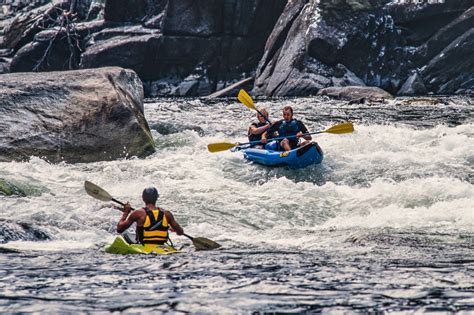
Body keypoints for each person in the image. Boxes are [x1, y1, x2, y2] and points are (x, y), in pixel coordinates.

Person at [116, 187, 184, 245]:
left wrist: (125, 213)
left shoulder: (138, 213)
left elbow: (119, 229)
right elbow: (180, 232)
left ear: (143, 198)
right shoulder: (167, 214)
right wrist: (170, 228)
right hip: (162, 247)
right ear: (157, 198)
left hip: (144, 247)